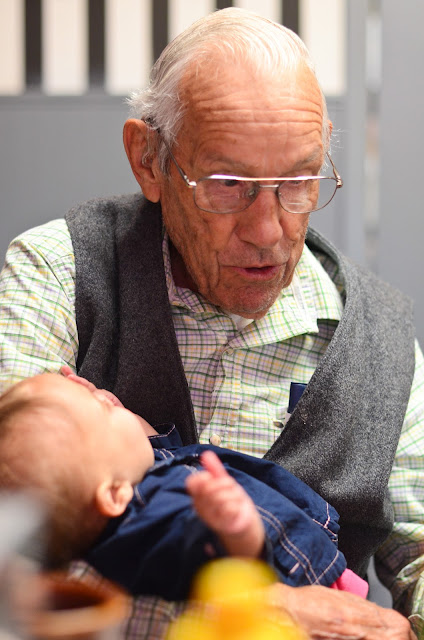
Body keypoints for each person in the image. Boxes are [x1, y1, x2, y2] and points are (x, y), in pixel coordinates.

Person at [0, 6, 420, 639]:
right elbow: (10, 553)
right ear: (148, 159)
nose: (268, 231)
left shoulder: (382, 344)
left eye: (298, 179)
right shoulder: (59, 272)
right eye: (227, 183)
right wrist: (239, 619)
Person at [0, 371, 368, 600]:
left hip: (310, 555)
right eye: (105, 411)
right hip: (309, 584)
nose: (103, 396)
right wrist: (237, 529)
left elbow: (157, 451)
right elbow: (220, 564)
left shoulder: (134, 487)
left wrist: (99, 405)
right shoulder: (156, 527)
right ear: (113, 493)